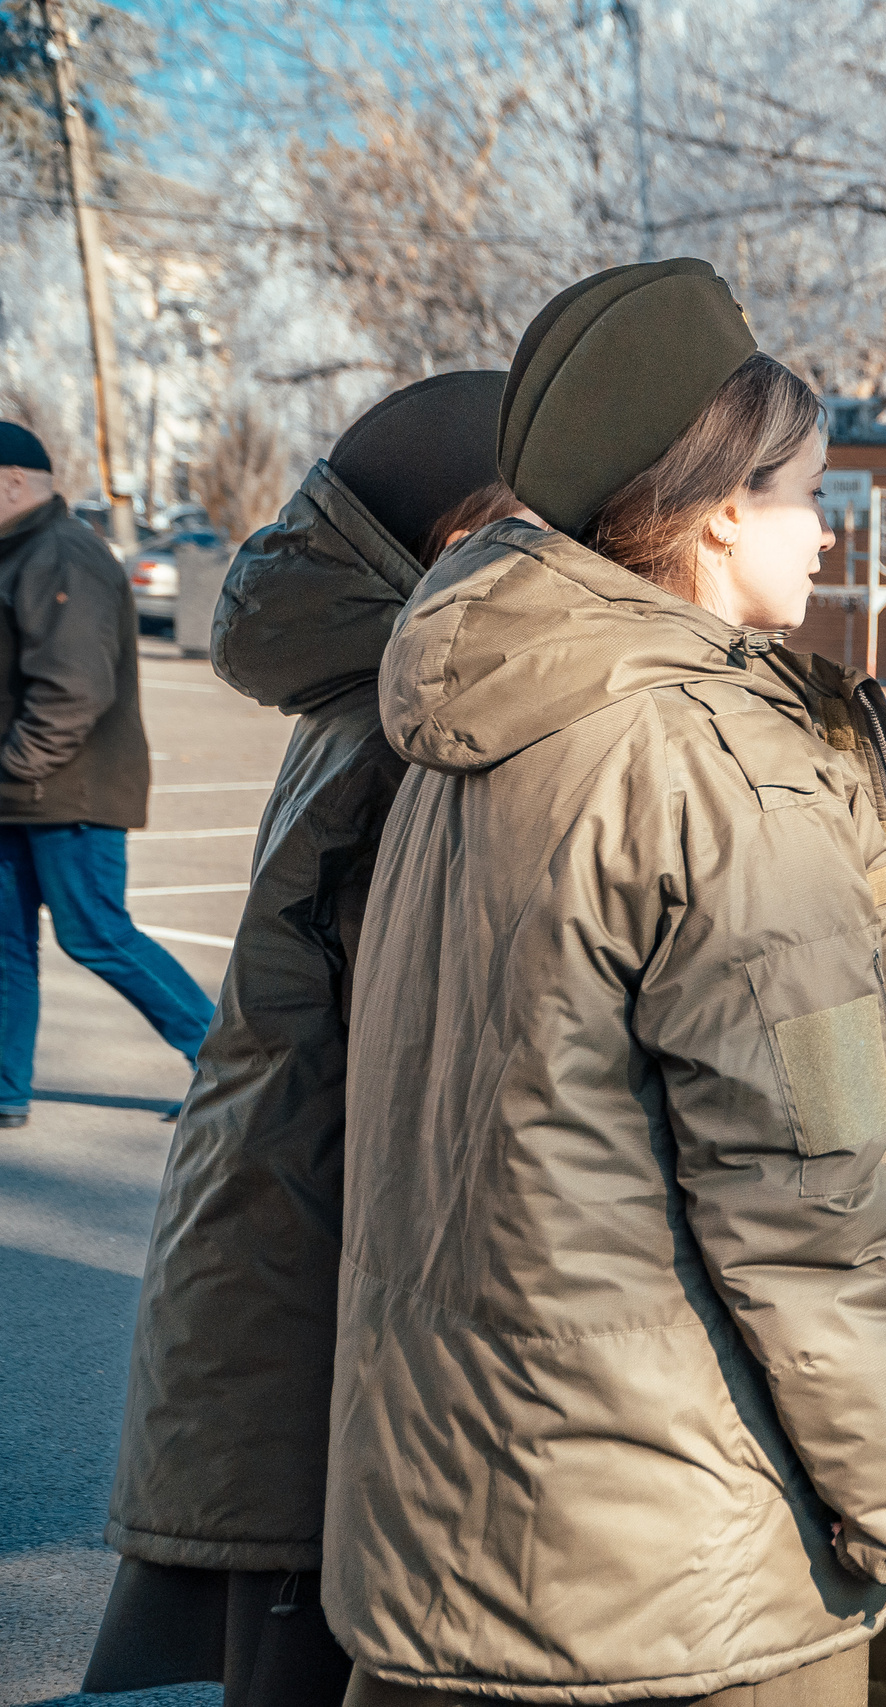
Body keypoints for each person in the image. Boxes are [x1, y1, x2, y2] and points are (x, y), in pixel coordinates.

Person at [330, 258, 886, 1707]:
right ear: (725, 504)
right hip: (681, 1572)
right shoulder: (725, 768)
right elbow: (815, 1182)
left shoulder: (484, 708)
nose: (826, 528)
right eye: (809, 488)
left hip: (447, 1525)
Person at [81, 373, 518, 1707]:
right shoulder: (420, 712)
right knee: (293, 1624)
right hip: (313, 1242)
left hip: (270, 1206)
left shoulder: (369, 665)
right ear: (461, 543)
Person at [0, 421, 216, 1127]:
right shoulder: (19, 553)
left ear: (11, 482)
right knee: (6, 944)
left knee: (96, 932)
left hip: (72, 791)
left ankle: (226, 1067)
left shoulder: (62, 557)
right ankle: (7, 1088)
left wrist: (12, 765)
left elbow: (73, 691)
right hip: (20, 796)